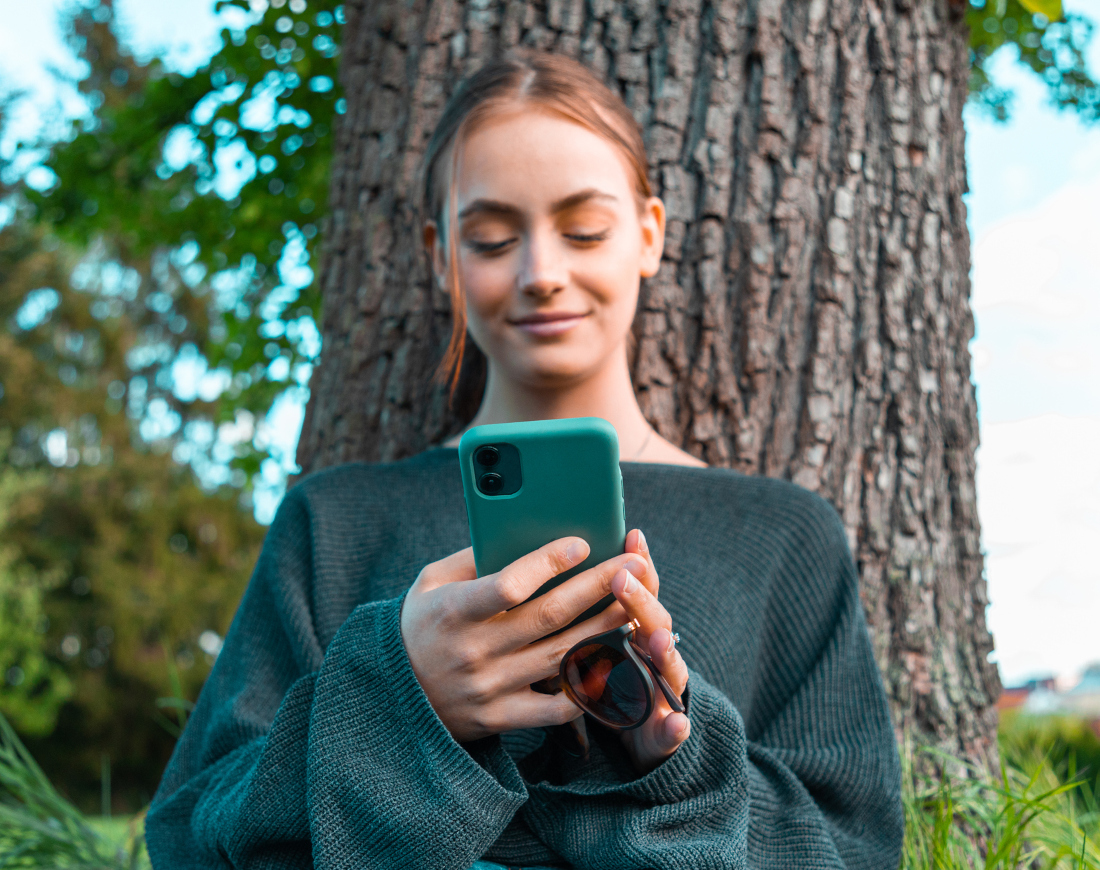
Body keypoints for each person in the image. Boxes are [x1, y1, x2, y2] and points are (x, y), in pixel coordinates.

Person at [145, 51, 904, 870]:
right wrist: (404, 700)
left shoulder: (781, 535)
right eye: (494, 237)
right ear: (443, 256)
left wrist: (671, 759)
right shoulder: (332, 522)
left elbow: (853, 844)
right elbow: (191, 831)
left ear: (648, 235)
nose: (543, 274)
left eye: (585, 230)